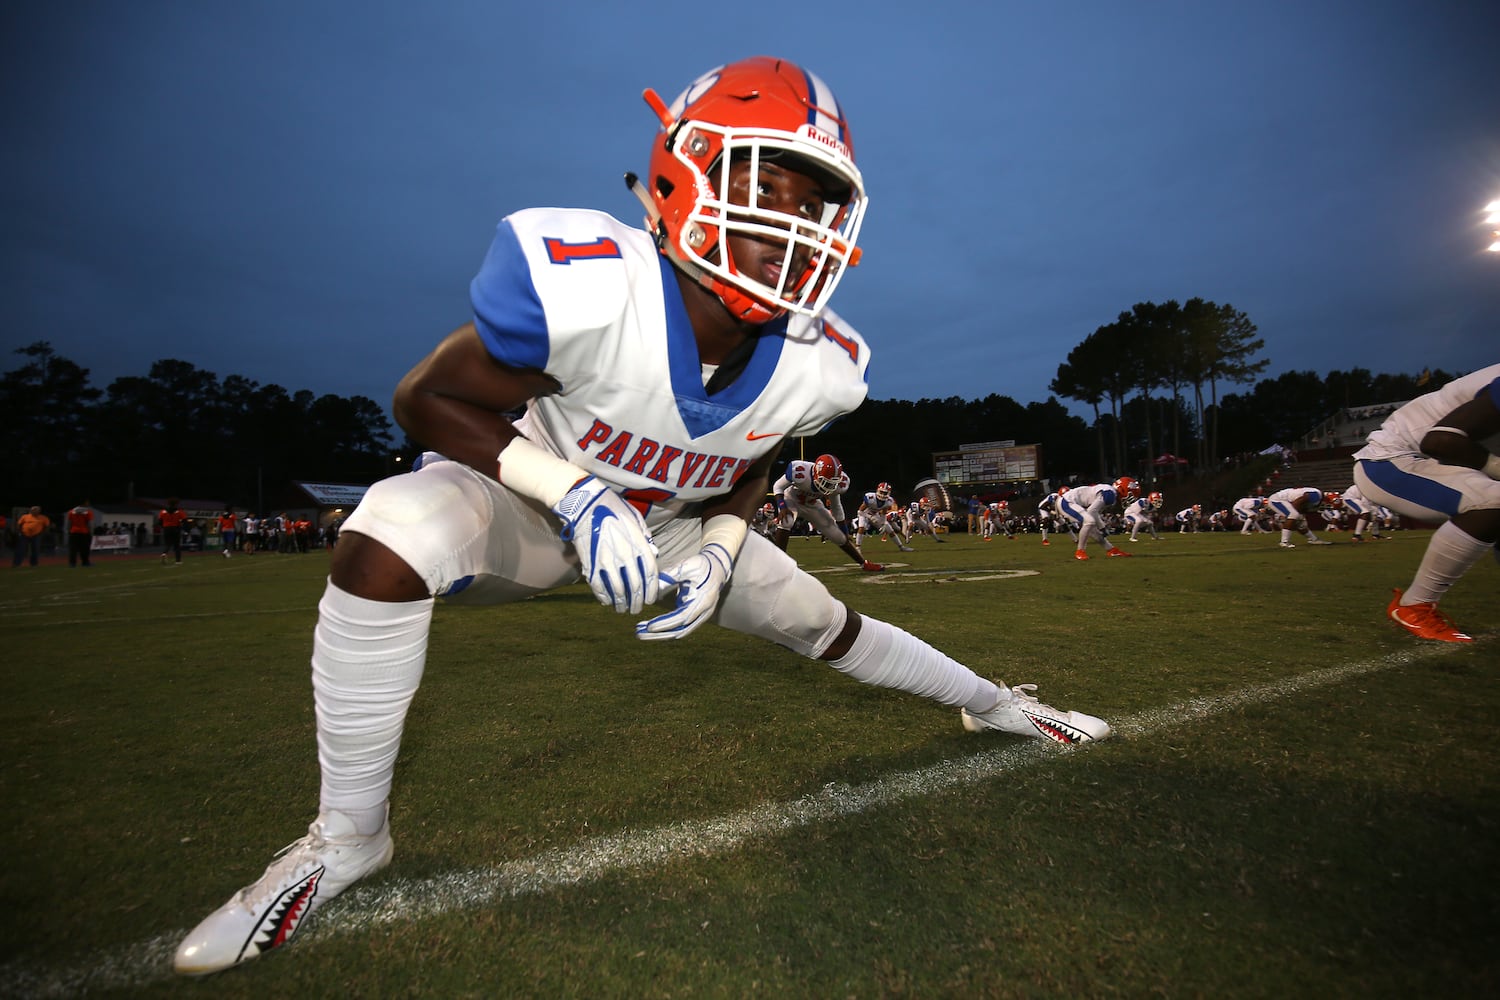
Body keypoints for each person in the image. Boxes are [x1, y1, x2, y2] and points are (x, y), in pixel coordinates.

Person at [173, 56, 1111, 977]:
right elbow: (426, 398)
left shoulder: (822, 362)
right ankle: (348, 838)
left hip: (672, 528)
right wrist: (573, 494)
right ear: (684, 174)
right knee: (389, 534)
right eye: (767, 185)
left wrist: (722, 545)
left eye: (811, 203)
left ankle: (998, 707)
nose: (791, 223)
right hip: (531, 501)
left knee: (822, 620)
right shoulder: (591, 284)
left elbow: (760, 447)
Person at [1352, 363, 1500, 642]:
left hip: (1435, 458)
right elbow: (1440, 440)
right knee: (1493, 501)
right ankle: (1414, 605)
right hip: (1391, 460)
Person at [769, 453, 880, 571]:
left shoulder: (838, 484)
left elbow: (836, 507)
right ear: (815, 473)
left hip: (812, 504)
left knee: (839, 537)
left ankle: (864, 564)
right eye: (826, 482)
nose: (829, 487)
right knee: (787, 520)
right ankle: (777, 563)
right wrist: (782, 507)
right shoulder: (800, 470)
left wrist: (844, 530)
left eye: (832, 483)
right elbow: (778, 486)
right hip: (791, 499)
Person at [1059, 477, 1136, 559]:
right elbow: (1091, 511)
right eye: (1130, 494)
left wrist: (1101, 527)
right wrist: (1102, 527)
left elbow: (1093, 511)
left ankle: (1111, 550)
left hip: (1070, 502)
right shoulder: (1110, 494)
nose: (1129, 498)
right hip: (1067, 502)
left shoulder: (1109, 491)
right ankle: (1080, 551)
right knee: (1089, 522)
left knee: (1092, 528)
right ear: (1122, 488)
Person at [1265, 486, 1333, 549]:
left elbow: (1302, 505)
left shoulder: (1316, 495)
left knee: (1300, 522)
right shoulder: (1316, 495)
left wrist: (1300, 516)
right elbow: (1297, 502)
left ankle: (1314, 539)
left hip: (1285, 501)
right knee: (1294, 515)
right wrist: (1294, 515)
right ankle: (1284, 542)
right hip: (1277, 499)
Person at [159, 499, 188, 564]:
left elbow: (160, 522)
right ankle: (178, 560)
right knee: (177, 545)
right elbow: (185, 521)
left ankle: (164, 553)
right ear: (176, 504)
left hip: (166, 529)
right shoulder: (179, 512)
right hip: (176, 529)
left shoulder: (163, 512)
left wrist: (163, 527)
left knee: (167, 544)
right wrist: (183, 528)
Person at [65, 503, 94, 567]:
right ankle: (85, 562)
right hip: (84, 532)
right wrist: (91, 533)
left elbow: (69, 523)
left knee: (73, 549)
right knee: (84, 549)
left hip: (73, 532)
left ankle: (72, 563)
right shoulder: (88, 512)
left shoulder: (71, 512)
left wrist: (69, 531)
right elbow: (90, 524)